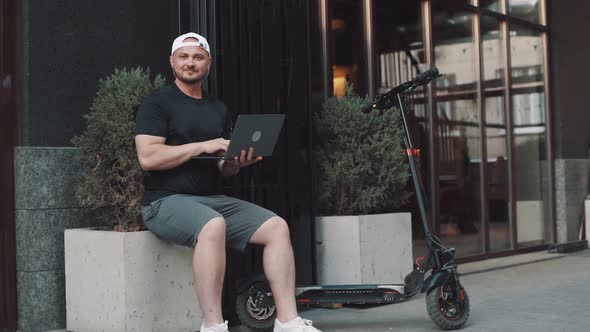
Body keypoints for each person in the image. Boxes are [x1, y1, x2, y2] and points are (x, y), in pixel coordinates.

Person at [134, 32, 321, 332]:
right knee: (213, 225)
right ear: (172, 62)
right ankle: (213, 326)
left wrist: (235, 164)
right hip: (164, 202)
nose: (190, 63)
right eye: (184, 56)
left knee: (276, 227)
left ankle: (288, 322)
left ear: (209, 63)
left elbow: (221, 169)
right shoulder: (157, 103)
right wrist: (203, 145)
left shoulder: (217, 108)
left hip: (209, 201)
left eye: (198, 57)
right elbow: (149, 157)